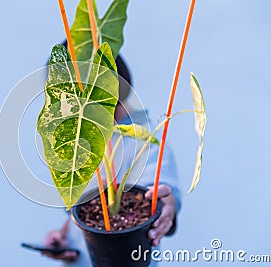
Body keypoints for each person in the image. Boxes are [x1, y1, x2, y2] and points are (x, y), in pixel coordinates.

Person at [42, 54, 182, 266]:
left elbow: (162, 191)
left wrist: (167, 206)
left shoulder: (143, 137)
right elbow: (82, 210)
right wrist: (63, 237)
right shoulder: (82, 138)